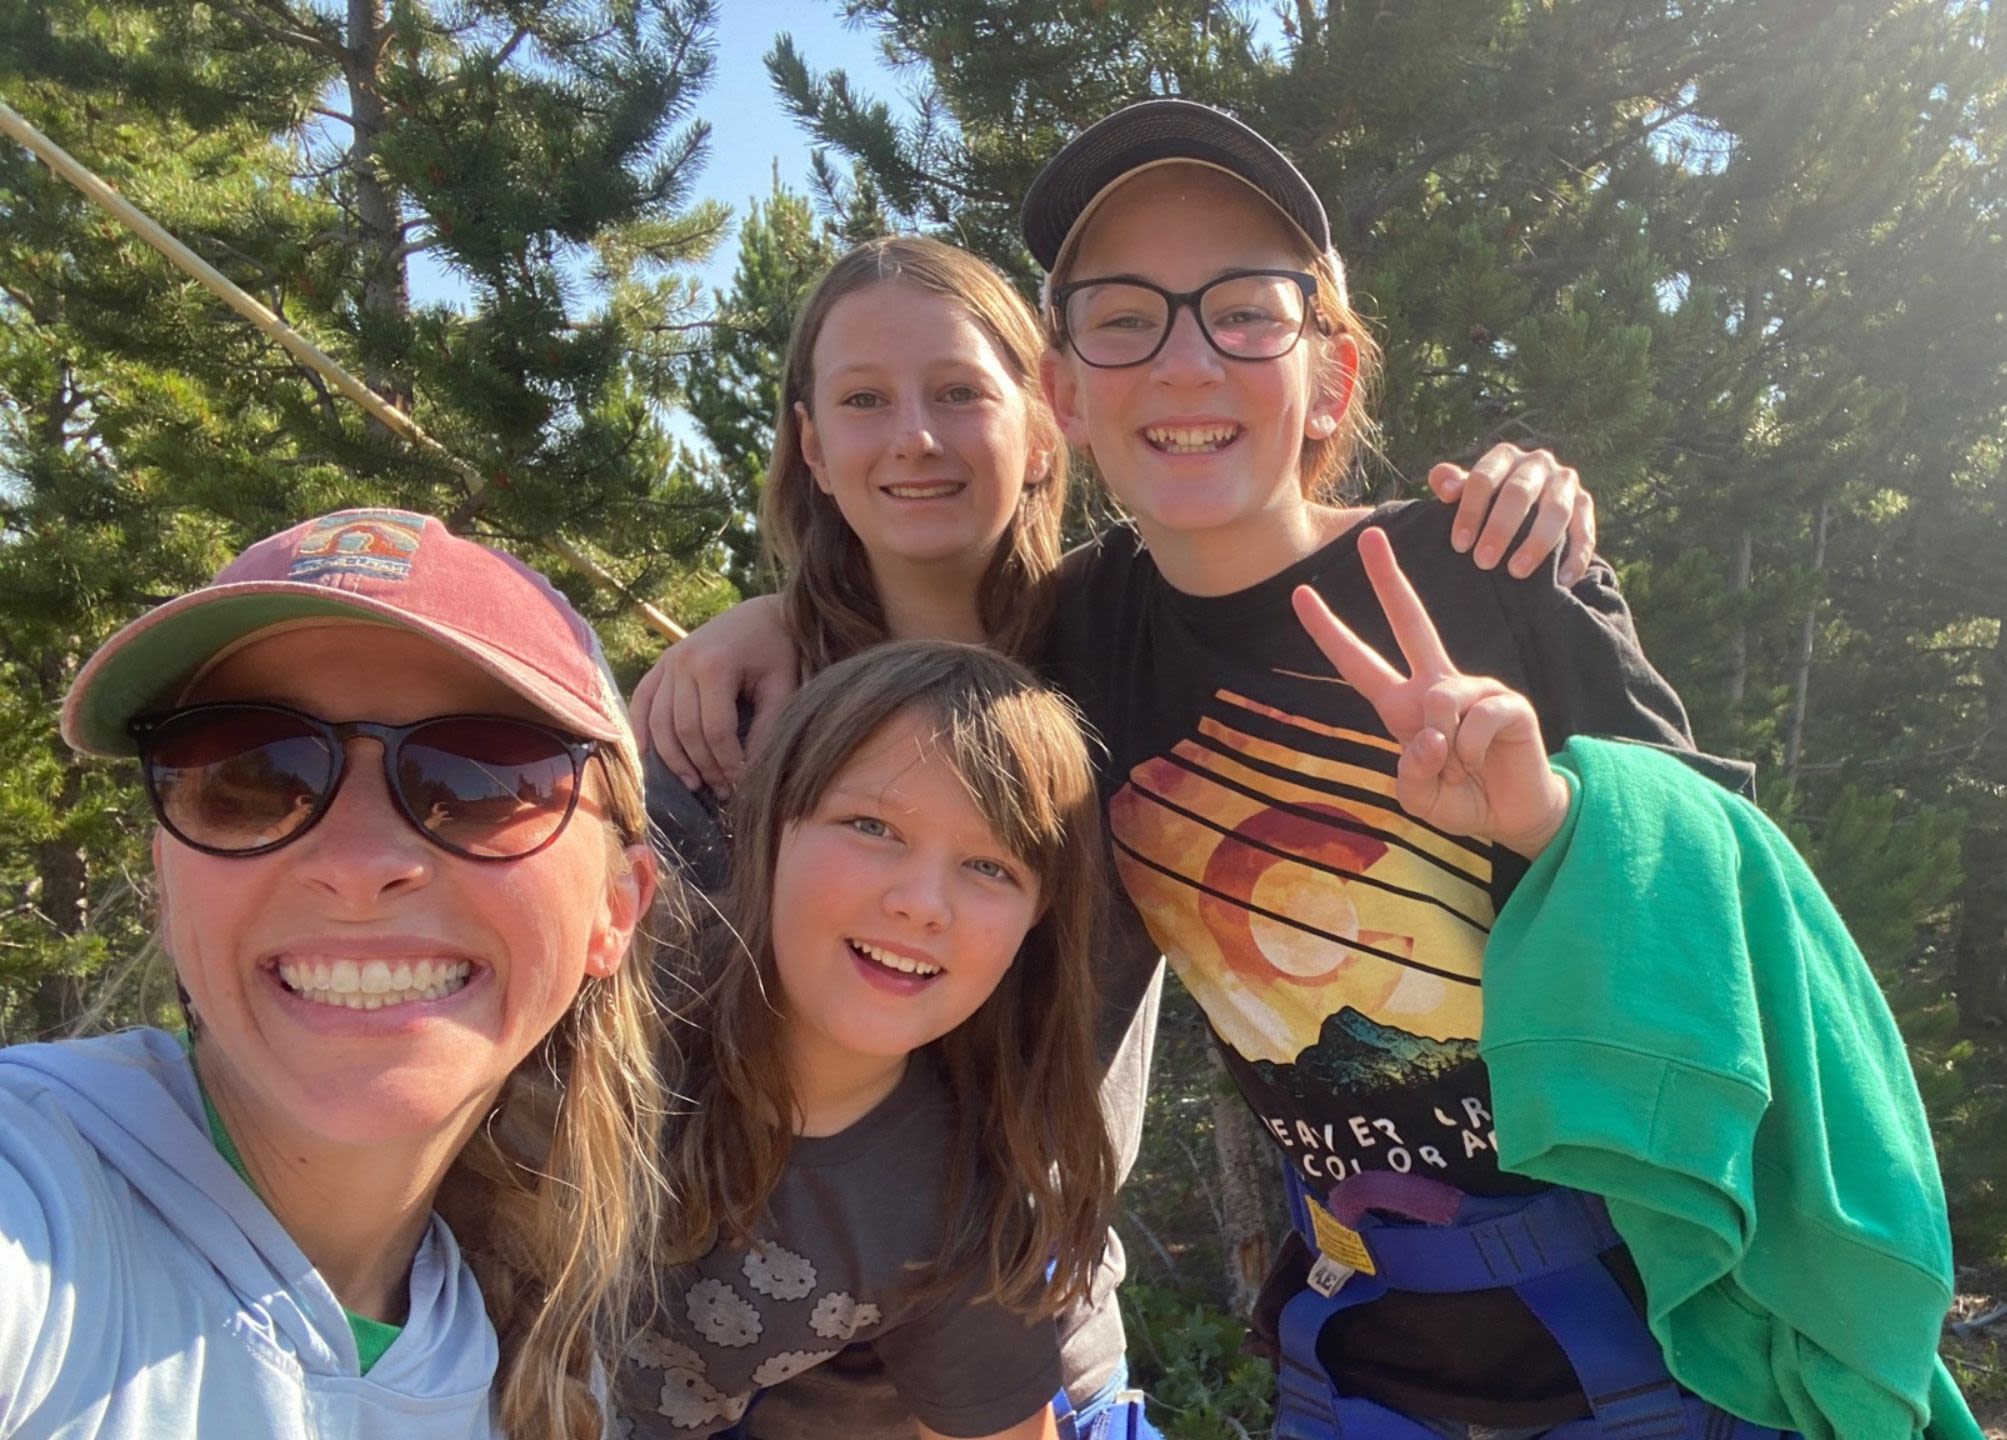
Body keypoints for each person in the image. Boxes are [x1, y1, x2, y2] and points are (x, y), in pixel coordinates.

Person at [626, 232, 1602, 1440]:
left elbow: (1288, 550)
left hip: (1037, 1344)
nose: (915, 437)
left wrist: (1512, 506)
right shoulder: (735, 724)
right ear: (809, 445)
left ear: (1045, 422)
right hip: (759, 1373)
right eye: (863, 400)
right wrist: (758, 620)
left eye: (960, 393)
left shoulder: (1130, 656)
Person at [0, 507, 665, 1440]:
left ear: (616, 910)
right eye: (248, 775)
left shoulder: (535, 1387)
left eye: (480, 780)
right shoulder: (35, 1205)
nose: (355, 861)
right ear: (167, 877)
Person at [621, 641, 1112, 1440]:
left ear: (1036, 920)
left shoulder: (957, 1211)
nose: (922, 904)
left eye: (990, 868)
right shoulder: (612, 993)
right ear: (773, 824)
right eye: (872, 825)